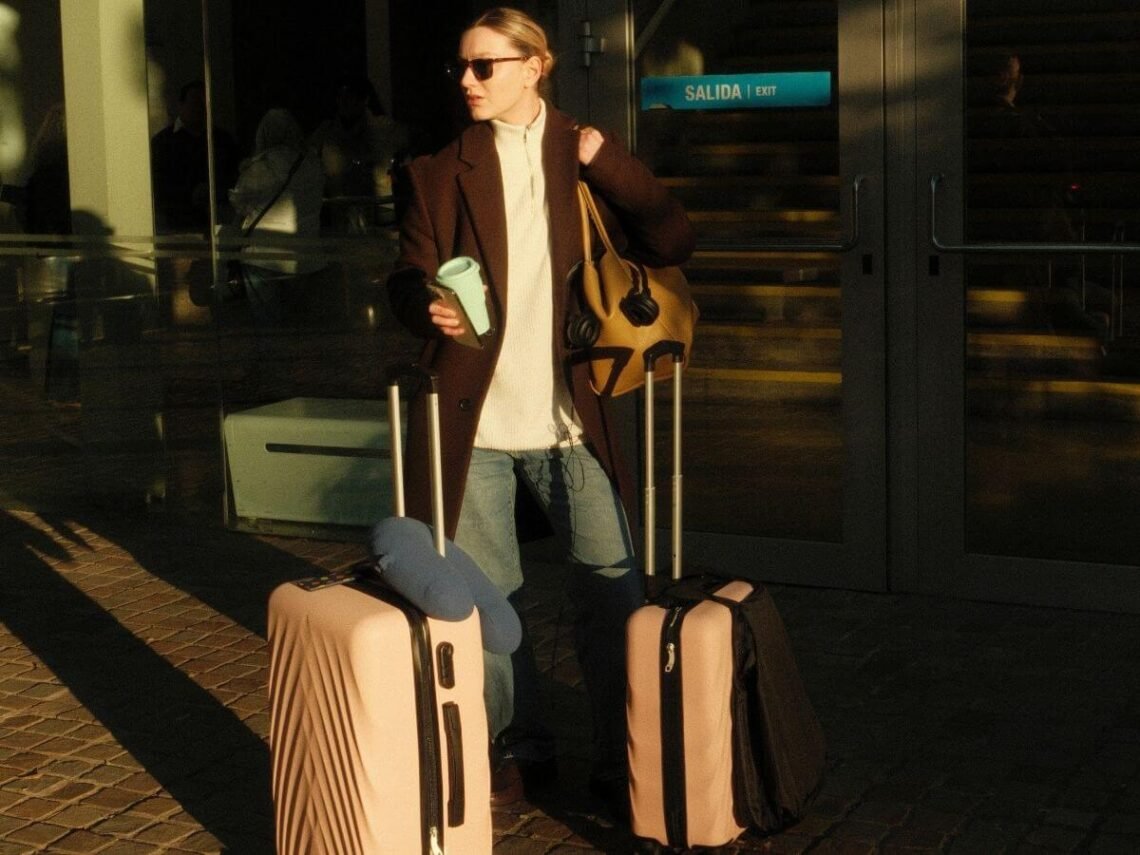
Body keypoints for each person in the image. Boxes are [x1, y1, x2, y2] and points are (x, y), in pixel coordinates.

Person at [386, 7, 695, 819]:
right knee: (493, 605)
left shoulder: (582, 154)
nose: (467, 81)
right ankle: (518, 749)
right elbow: (406, 276)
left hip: (572, 420)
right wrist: (428, 307)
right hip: (477, 424)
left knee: (612, 592)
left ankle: (626, 748)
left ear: (536, 66)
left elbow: (671, 239)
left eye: (485, 66)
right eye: (461, 66)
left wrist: (611, 164)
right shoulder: (436, 170)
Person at [227, 108, 325, 325]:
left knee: (268, 324)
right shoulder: (312, 165)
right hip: (306, 256)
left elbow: (239, 203)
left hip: (262, 257)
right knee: (300, 323)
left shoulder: (259, 168)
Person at [311, 73, 416, 233]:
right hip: (340, 228)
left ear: (364, 99)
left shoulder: (385, 130)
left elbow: (415, 145)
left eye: (350, 95)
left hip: (382, 227)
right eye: (340, 95)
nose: (344, 101)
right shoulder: (326, 133)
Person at [150, 80, 241, 233]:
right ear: (181, 105)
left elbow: (235, 178)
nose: (200, 108)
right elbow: (157, 184)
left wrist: (214, 191)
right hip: (175, 225)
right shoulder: (162, 142)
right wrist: (188, 194)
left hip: (218, 225)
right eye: (195, 102)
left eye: (204, 103)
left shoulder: (222, 140)